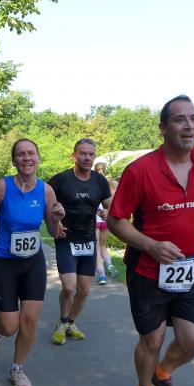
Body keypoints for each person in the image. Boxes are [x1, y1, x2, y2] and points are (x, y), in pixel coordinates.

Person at [107, 95, 194, 386]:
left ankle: (162, 373)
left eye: (193, 118)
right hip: (147, 269)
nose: (189, 126)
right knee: (152, 338)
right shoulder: (140, 170)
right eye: (179, 119)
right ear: (163, 128)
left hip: (187, 268)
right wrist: (150, 245)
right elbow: (116, 220)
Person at [0, 138, 65, 386]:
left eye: (31, 153)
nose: (27, 158)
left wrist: (57, 219)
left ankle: (17, 369)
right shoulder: (3, 186)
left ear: (38, 158)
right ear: (14, 160)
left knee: (30, 320)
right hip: (4, 263)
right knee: (10, 326)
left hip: (33, 263)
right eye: (21, 154)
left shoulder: (46, 191)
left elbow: (54, 231)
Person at [47, 139, 113, 345]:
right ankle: (62, 321)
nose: (87, 158)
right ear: (73, 156)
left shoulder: (100, 181)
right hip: (66, 239)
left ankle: (69, 323)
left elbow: (110, 205)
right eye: (83, 153)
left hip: (88, 240)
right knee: (69, 287)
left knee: (84, 289)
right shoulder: (60, 180)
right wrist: (54, 222)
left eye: (91, 154)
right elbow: (45, 205)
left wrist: (109, 212)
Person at [93, 162, 119, 285]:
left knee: (96, 248)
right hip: (105, 219)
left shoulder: (92, 182)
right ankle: (109, 265)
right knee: (103, 246)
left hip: (94, 219)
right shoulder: (111, 184)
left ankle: (102, 276)